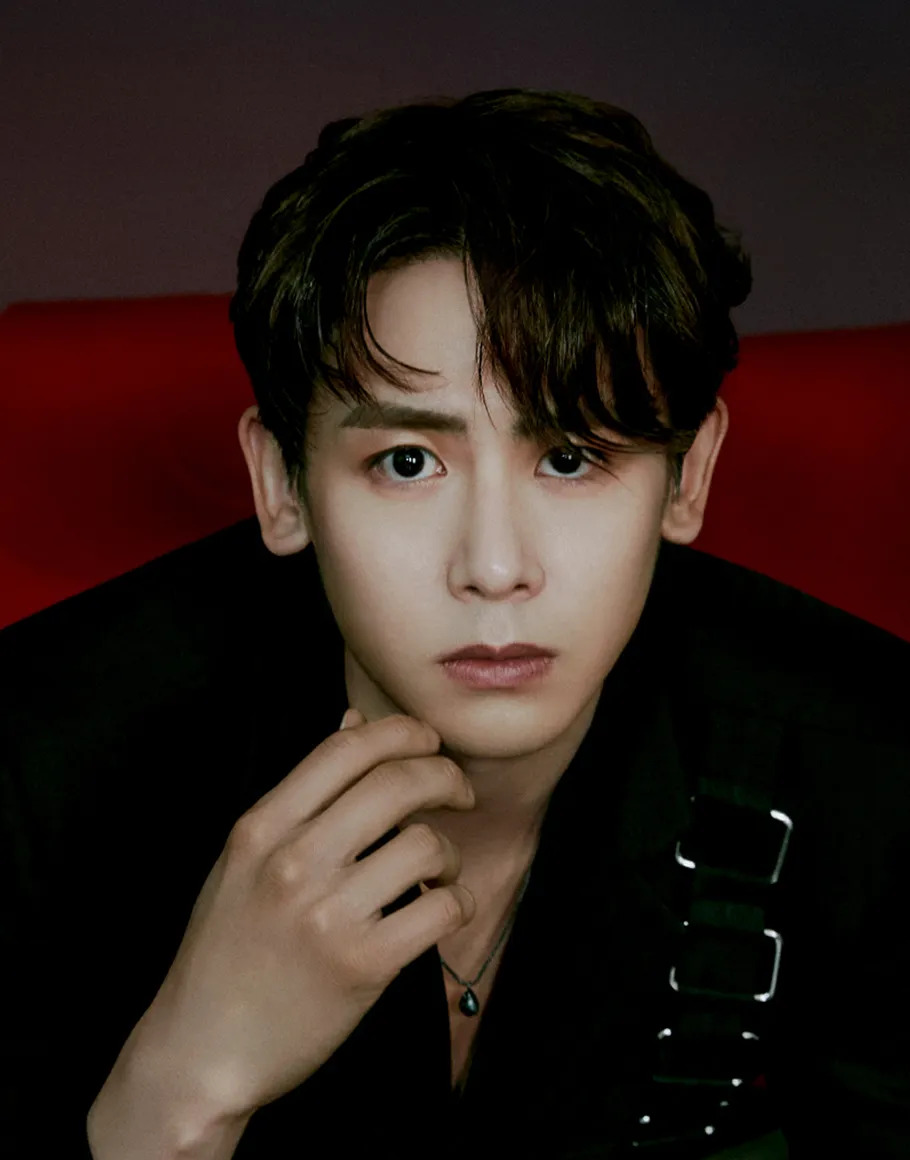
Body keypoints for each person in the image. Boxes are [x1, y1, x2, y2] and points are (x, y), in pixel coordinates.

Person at [2, 88, 908, 1160]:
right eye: (406, 462)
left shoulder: (867, 763)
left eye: (569, 456)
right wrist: (185, 1084)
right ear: (281, 483)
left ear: (689, 475)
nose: (494, 568)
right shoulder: (39, 769)